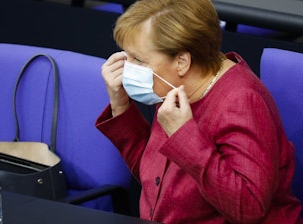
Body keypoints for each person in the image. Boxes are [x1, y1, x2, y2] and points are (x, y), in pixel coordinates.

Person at [95, 0, 303, 223]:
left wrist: (184, 137)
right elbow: (156, 181)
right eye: (126, 56)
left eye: (138, 59)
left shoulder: (242, 101)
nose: (128, 68)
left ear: (182, 61)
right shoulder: (174, 85)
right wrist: (120, 105)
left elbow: (248, 208)